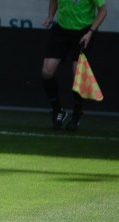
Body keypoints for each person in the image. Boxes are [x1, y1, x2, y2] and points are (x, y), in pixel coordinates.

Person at [41, 0, 107, 131]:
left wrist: (91, 32)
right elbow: (53, 0)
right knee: (47, 71)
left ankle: (77, 114)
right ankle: (58, 110)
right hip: (61, 30)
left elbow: (103, 11)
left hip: (84, 32)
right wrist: (50, 17)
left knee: (78, 73)